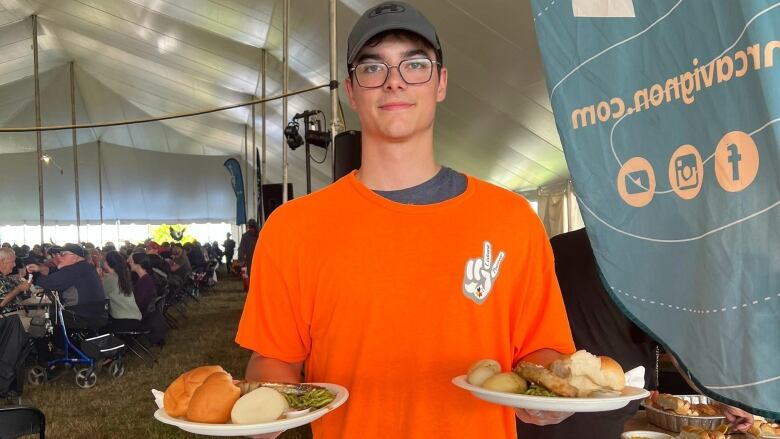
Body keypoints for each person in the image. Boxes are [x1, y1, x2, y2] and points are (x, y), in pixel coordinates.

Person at [235, 3, 575, 438]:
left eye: (414, 64)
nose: (394, 80)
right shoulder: (293, 228)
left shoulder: (511, 219)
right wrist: (266, 413)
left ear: (441, 83)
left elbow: (543, 349)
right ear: (352, 92)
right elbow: (275, 358)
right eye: (373, 67)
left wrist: (554, 394)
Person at [516, 228, 659, 439]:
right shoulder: (648, 255)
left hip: (536, 401)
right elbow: (682, 344)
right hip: (598, 412)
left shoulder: (557, 244)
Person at [27, 243, 107, 331]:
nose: (59, 257)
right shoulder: (85, 266)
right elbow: (53, 272)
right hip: (95, 315)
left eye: (63, 254)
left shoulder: (75, 269)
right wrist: (39, 268)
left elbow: (51, 282)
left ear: (76, 256)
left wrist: (31, 279)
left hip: (81, 317)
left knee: (48, 323)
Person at [102, 251, 142, 333]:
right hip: (135, 317)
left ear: (107, 263)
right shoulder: (122, 275)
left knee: (99, 329)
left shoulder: (110, 279)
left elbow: (100, 295)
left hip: (123, 321)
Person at [0, 248, 31, 313]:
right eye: (12, 261)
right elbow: (1, 303)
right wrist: (18, 289)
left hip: (15, 314)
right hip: (6, 319)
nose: (14, 264)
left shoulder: (5, 277)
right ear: (2, 262)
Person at [127, 253, 156, 317]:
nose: (129, 262)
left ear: (138, 264)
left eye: (131, 261)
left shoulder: (145, 282)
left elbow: (138, 304)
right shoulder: (144, 278)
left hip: (136, 314)